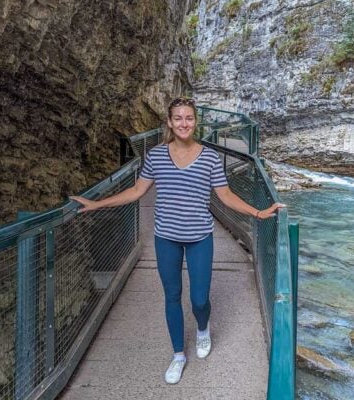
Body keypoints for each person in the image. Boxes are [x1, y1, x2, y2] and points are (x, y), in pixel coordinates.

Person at [70, 96, 284, 384]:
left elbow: (225, 195)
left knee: (199, 300)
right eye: (178, 118)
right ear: (170, 122)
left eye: (189, 118)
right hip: (166, 238)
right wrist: (97, 204)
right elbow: (136, 191)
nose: (184, 123)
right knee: (171, 296)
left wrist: (257, 212)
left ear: (195, 122)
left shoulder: (208, 157)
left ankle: (203, 328)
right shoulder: (156, 156)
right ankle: (178, 356)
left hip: (199, 238)